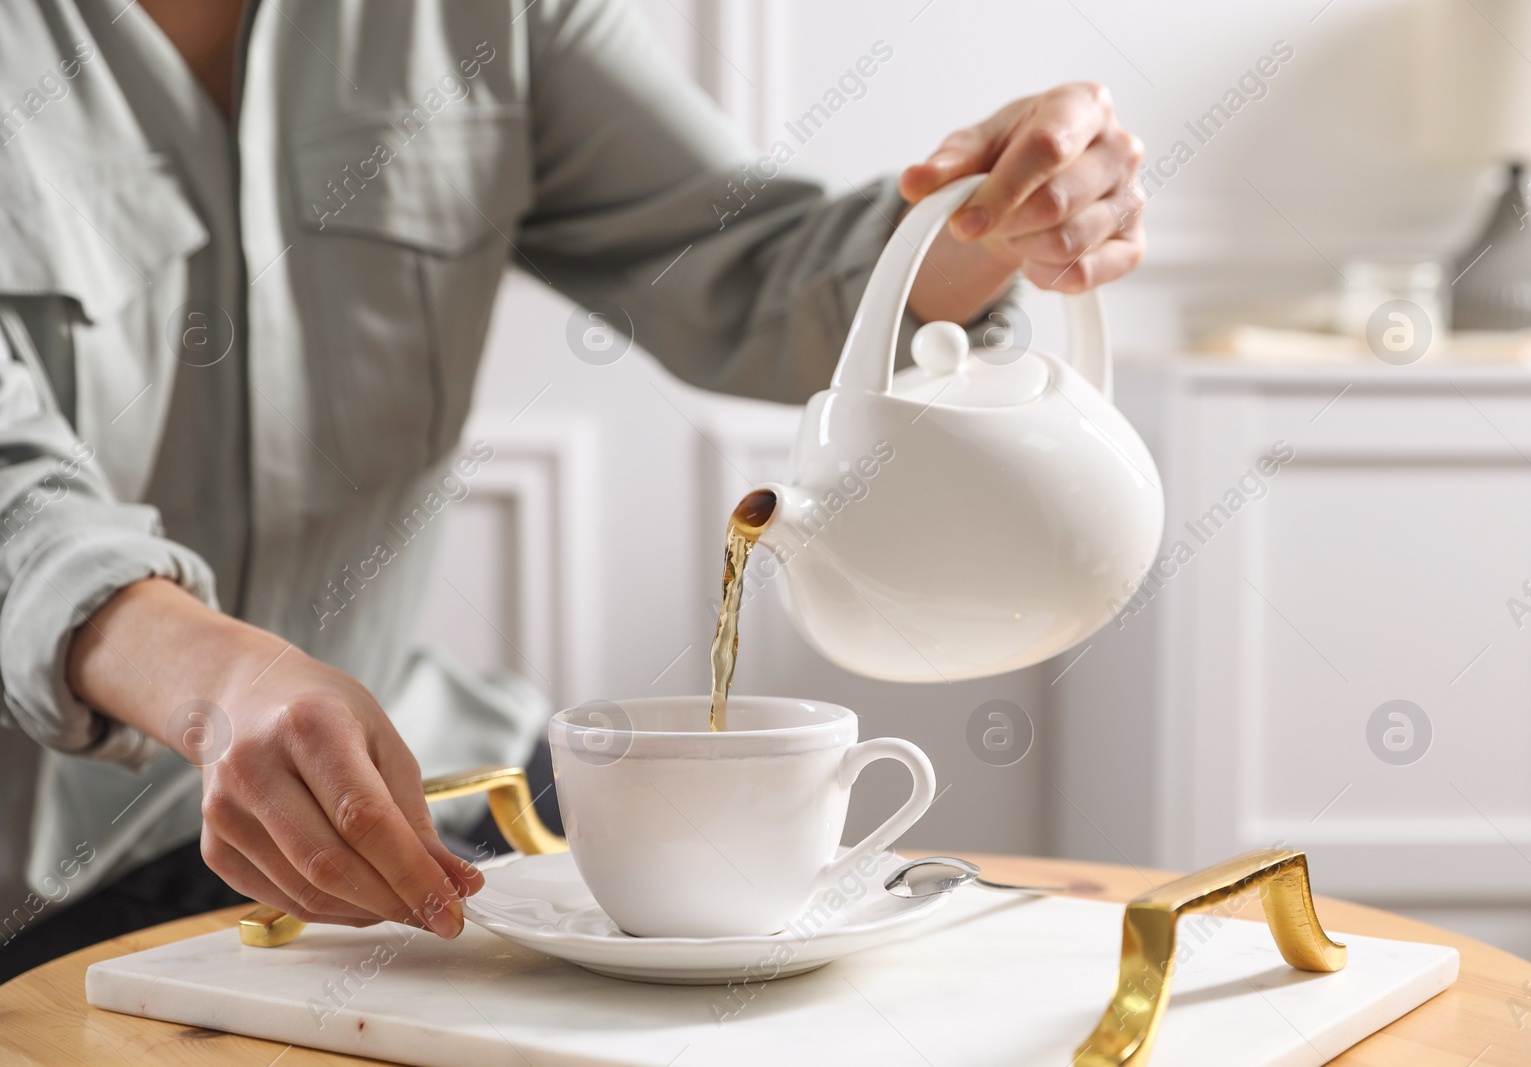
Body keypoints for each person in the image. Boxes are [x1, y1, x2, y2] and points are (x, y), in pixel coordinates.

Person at [0, 0, 1145, 978]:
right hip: (37, 883)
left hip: (414, 803)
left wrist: (992, 225)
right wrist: (224, 681)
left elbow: (743, 264)